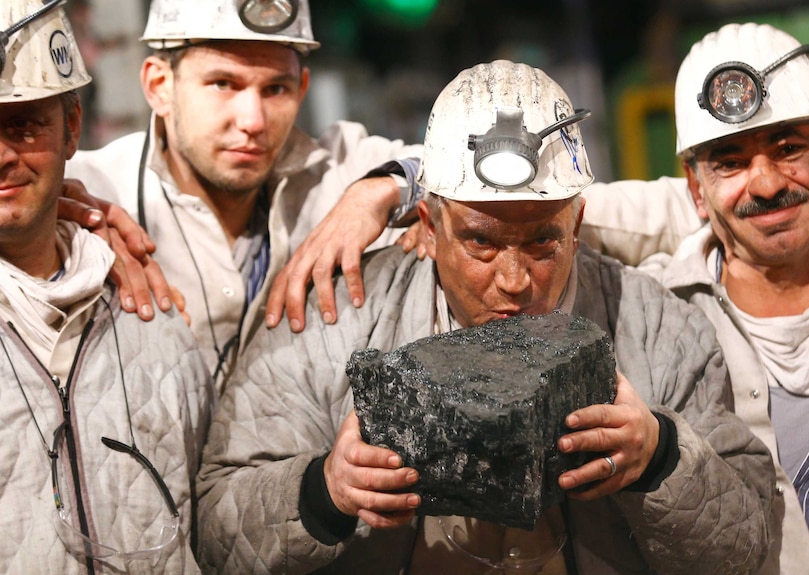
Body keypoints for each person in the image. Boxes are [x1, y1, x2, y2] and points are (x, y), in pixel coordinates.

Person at [195, 59, 774, 574]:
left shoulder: (661, 332)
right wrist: (322, 494)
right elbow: (218, 528)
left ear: (576, 225)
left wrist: (661, 457)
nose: (514, 281)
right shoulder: (331, 320)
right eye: (481, 244)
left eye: (543, 243)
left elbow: (749, 549)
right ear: (427, 223)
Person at [578, 22, 809, 574]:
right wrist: (413, 188)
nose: (765, 184)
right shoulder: (648, 321)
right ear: (695, 190)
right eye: (729, 162)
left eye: (788, 148)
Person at [64, 0, 422, 393]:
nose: (253, 121)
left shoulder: (338, 170)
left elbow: (467, 158)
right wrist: (50, 217)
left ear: (302, 89)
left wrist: (379, 190)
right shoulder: (95, 191)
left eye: (275, 89)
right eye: (223, 83)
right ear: (159, 86)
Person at [0, 1, 211, 572]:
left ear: (71, 128)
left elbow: (212, 514)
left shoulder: (154, 326)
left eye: (22, 124)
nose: (2, 155)